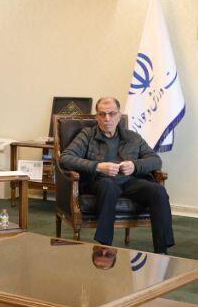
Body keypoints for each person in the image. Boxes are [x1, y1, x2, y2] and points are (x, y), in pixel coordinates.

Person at [58, 97, 174, 254]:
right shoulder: (87, 135)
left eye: (112, 114)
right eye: (102, 114)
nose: (107, 118)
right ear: (97, 116)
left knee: (158, 191)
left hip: (130, 181)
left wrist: (134, 166)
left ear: (119, 115)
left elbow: (155, 160)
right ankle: (105, 246)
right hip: (101, 180)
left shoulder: (133, 137)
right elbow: (65, 158)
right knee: (109, 186)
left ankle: (162, 251)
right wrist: (98, 167)